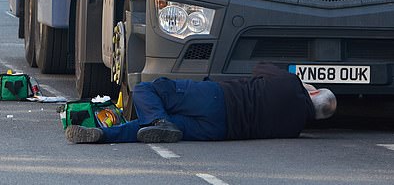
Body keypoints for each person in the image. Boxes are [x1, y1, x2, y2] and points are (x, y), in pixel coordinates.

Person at [65, 63, 337, 144]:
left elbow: (259, 69)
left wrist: (303, 84)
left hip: (218, 98)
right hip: (221, 131)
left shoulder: (291, 84)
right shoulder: (295, 127)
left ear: (313, 94)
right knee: (147, 129)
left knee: (147, 88)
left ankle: (158, 120)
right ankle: (102, 134)